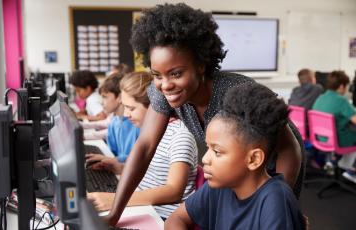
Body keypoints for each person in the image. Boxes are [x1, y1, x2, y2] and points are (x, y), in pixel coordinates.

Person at [104, 3, 304, 225]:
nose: (165, 84)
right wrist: (114, 214)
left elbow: (289, 148)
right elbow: (144, 147)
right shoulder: (164, 91)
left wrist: (282, 200)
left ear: (201, 65)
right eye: (157, 75)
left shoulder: (234, 91)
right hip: (236, 172)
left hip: (276, 167)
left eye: (176, 73)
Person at [165, 83, 305, 229]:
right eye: (208, 148)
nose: (205, 159)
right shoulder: (220, 184)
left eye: (217, 152)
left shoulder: (276, 202)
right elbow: (175, 219)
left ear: (254, 159)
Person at [87, 72, 198, 219]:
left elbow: (174, 191)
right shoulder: (147, 130)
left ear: (153, 106)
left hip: (163, 217)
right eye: (124, 107)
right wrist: (120, 168)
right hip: (145, 207)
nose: (126, 114)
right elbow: (153, 174)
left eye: (131, 108)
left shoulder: (180, 136)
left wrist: (114, 199)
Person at [86, 73, 140, 173]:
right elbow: (115, 153)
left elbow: (138, 158)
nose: (102, 102)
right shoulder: (114, 121)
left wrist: (113, 159)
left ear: (120, 97)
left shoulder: (136, 124)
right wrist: (106, 158)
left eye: (105, 97)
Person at [312, 70, 356, 183]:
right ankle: (352, 171)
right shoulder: (341, 100)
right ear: (342, 86)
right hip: (337, 141)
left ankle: (333, 161)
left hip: (321, 139)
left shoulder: (320, 97)